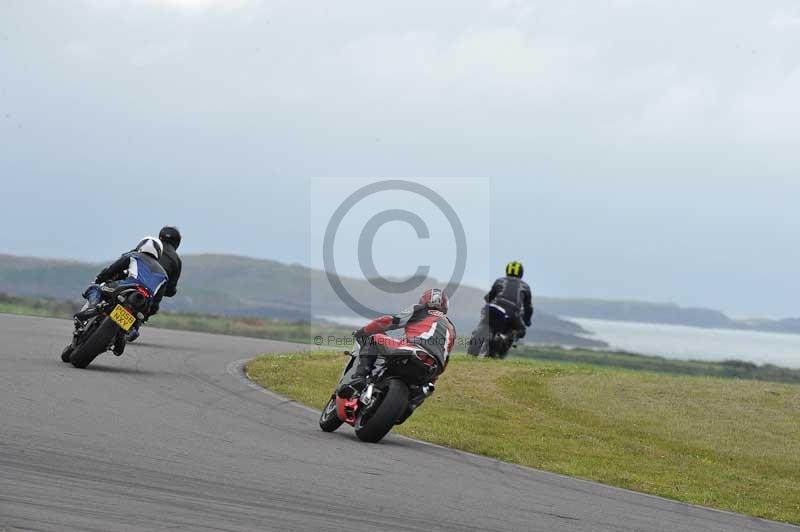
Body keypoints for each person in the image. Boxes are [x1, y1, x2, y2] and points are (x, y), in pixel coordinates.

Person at [337, 288, 456, 415]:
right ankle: (410, 406)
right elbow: (446, 359)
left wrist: (363, 331)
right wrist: (433, 378)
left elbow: (389, 321)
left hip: (411, 349)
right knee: (426, 388)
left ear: (424, 300)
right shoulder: (451, 327)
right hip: (433, 365)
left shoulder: (420, 310)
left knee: (373, 339)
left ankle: (358, 379)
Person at [74, 237, 168, 356]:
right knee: (135, 326)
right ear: (159, 253)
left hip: (125, 288)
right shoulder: (164, 275)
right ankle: (123, 334)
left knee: (95, 288)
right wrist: (145, 317)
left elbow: (111, 270)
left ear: (141, 246)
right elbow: (156, 304)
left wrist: (99, 279)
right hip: (144, 303)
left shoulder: (134, 256)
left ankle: (92, 307)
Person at [126, 226, 182, 341]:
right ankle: (132, 326)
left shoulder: (147, 245)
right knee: (152, 307)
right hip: (149, 293)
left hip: (129, 282)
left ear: (160, 237)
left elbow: (127, 257)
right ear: (177, 242)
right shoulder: (176, 260)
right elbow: (171, 289)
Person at [480, 261, 533, 342]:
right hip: (513, 313)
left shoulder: (499, 281)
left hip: (494, 309)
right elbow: (528, 307)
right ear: (521, 273)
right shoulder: (525, 286)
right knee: (522, 331)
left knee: (484, 319)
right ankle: (506, 337)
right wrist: (527, 321)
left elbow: (488, 298)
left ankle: (478, 335)